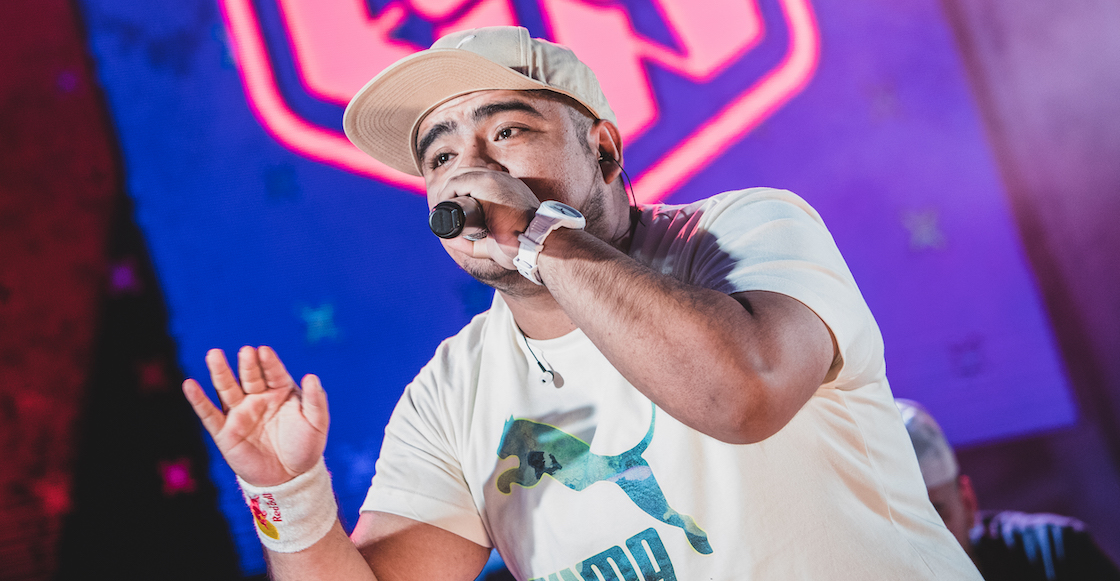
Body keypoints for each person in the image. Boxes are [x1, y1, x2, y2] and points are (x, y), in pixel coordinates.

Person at [182, 26, 981, 580]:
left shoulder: (743, 229)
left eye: (505, 132)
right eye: (442, 156)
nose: (470, 172)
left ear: (602, 149)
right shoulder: (451, 392)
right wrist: (290, 497)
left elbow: (743, 394)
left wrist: (536, 234)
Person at [896, 398, 1120, 580]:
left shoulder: (1058, 553)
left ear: (967, 502)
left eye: (934, 514)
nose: (918, 538)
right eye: (897, 523)